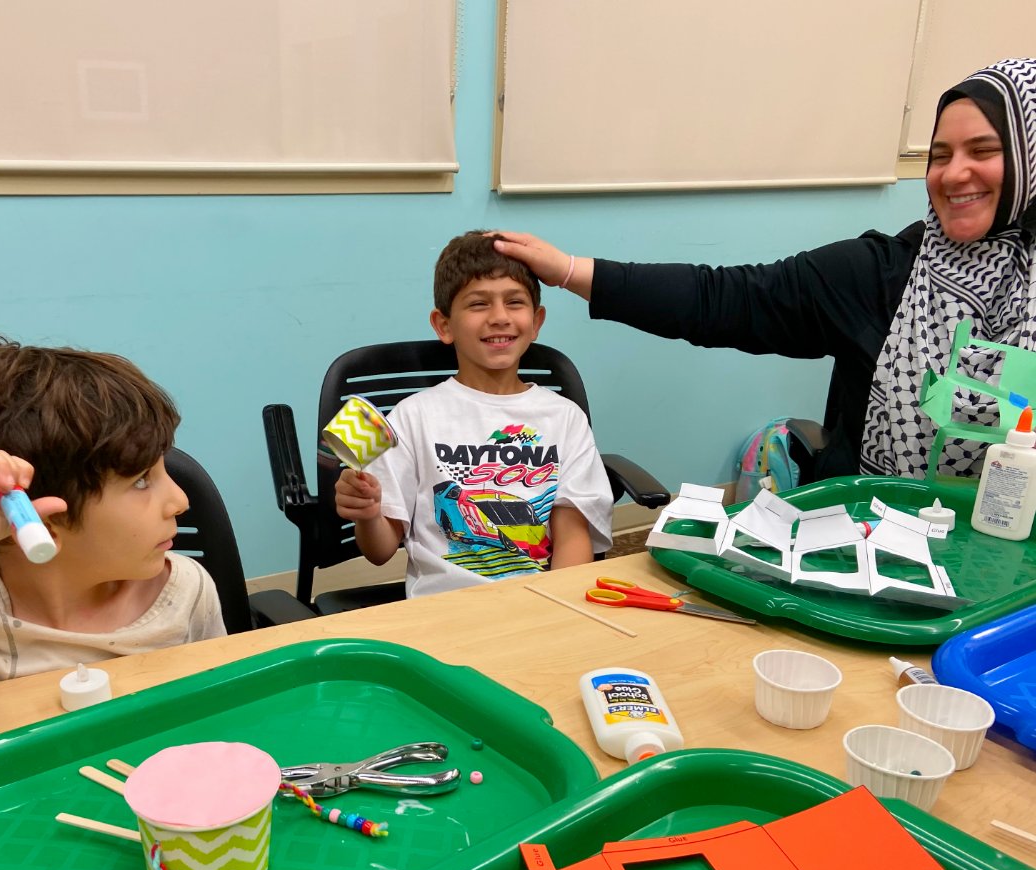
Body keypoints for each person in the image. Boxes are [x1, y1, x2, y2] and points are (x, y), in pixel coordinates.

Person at [495, 57, 1036, 482]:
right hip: (878, 549)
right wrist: (566, 270)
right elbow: (725, 299)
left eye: (982, 150)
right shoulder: (879, 276)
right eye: (939, 155)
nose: (954, 173)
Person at [334, 230, 612, 597]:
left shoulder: (564, 418)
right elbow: (380, 550)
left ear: (537, 321)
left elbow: (572, 541)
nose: (499, 317)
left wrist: (557, 608)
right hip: (442, 609)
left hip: (543, 603)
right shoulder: (412, 417)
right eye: (479, 304)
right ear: (444, 325)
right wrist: (368, 514)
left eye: (514, 302)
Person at [0, 333, 225, 688]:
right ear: (43, 523)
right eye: (142, 481)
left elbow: (219, 706)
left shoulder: (186, 592)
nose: (181, 500)